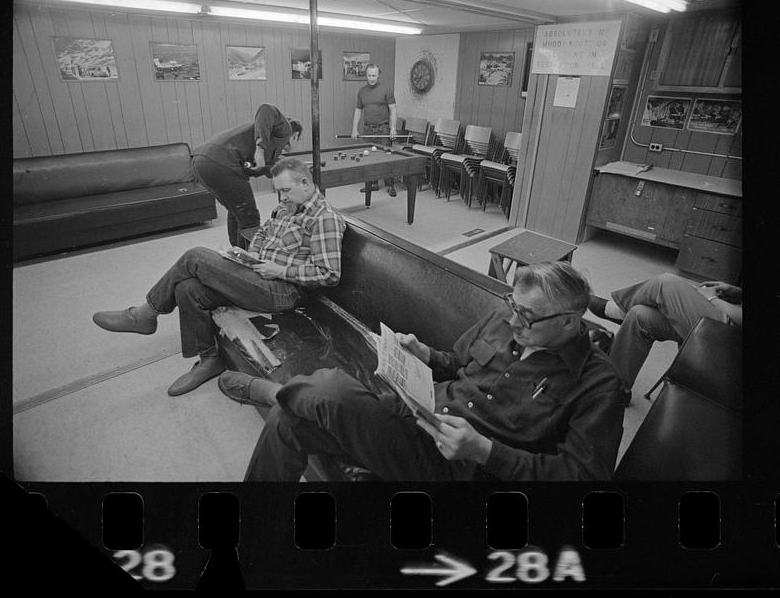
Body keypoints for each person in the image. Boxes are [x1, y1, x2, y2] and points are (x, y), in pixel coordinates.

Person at [218, 262, 629, 481]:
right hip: (419, 412)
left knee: (329, 389)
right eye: (512, 306)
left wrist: (487, 452)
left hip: (460, 466)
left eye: (528, 317)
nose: (515, 323)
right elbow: (459, 364)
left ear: (571, 321)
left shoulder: (599, 385)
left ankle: (274, 390)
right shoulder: (505, 320)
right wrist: (426, 354)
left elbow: (582, 475)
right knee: (291, 421)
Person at [92, 158, 346, 397]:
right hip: (259, 275)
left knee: (195, 257)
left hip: (284, 290)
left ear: (305, 183)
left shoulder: (324, 219)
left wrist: (280, 271)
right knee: (188, 288)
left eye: (287, 190)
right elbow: (262, 233)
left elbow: (328, 273)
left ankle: (144, 315)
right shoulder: (286, 206)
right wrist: (249, 255)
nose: (283, 197)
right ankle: (209, 359)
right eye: (279, 191)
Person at [587, 273, 743, 389]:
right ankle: (617, 389)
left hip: (730, 343)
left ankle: (616, 311)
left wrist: (712, 299)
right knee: (639, 315)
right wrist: (737, 292)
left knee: (666, 283)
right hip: (729, 324)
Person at [191, 104, 302, 249]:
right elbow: (266, 109)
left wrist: (280, 168)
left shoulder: (271, 143)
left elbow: (259, 168)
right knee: (250, 218)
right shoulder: (284, 130)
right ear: (295, 135)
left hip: (202, 162)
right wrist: (260, 150)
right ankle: (249, 259)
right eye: (298, 139)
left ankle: (237, 252)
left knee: (237, 211)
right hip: (220, 161)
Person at [350, 63, 399, 196]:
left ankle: (390, 185)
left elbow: (393, 109)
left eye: (374, 75)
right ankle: (372, 184)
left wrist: (393, 128)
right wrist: (354, 128)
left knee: (387, 156)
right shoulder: (362, 91)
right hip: (367, 129)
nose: (372, 78)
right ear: (366, 75)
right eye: (369, 75)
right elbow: (358, 110)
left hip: (383, 129)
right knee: (369, 157)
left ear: (378, 75)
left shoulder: (386, 90)